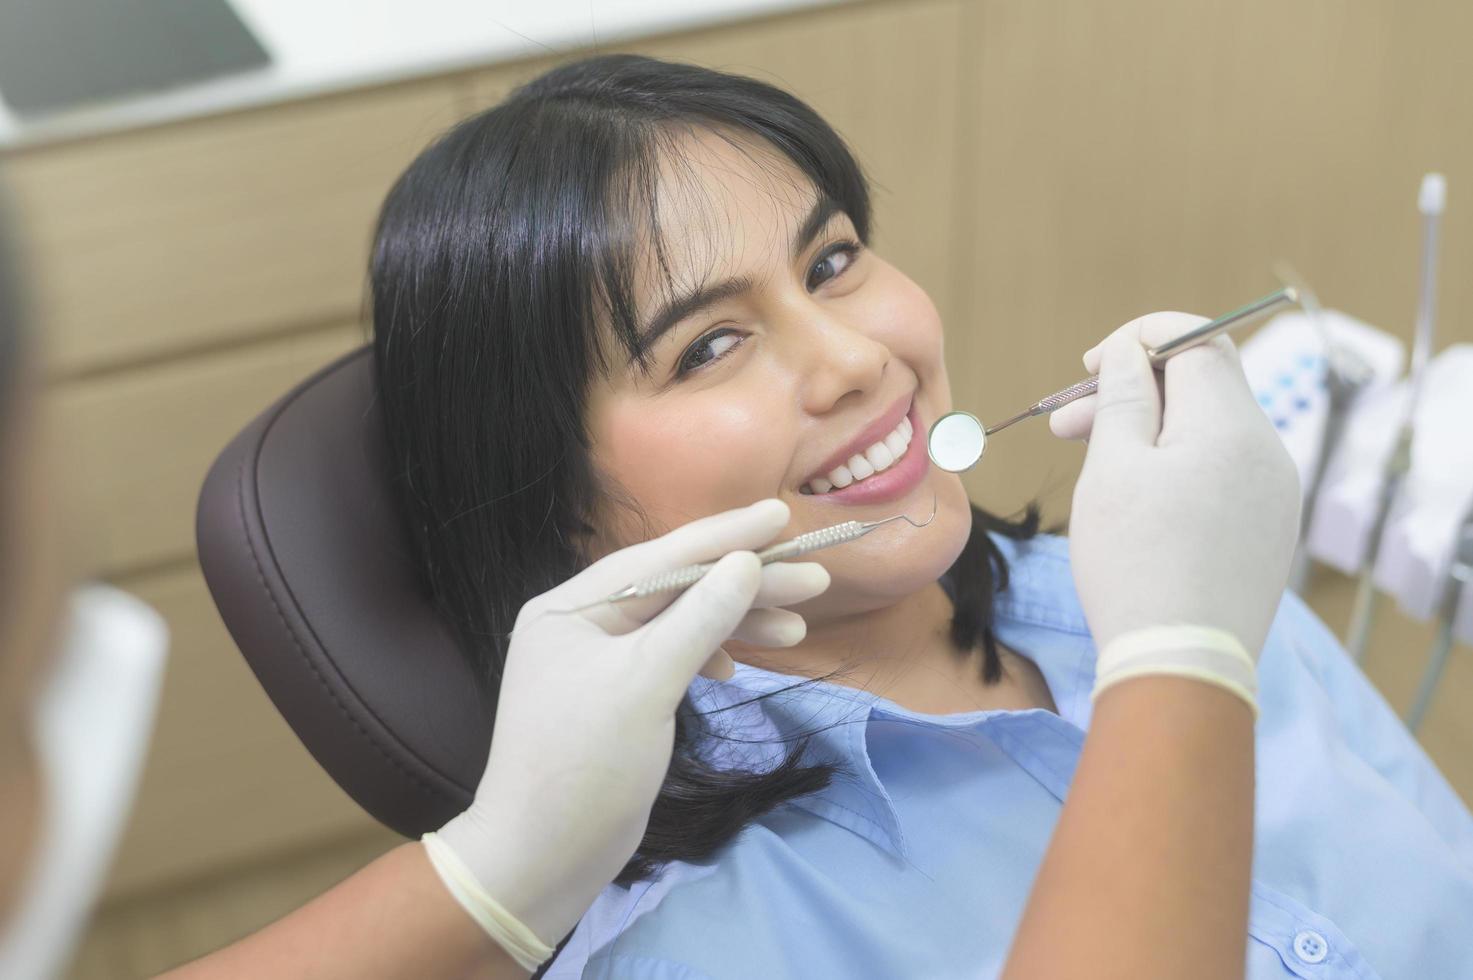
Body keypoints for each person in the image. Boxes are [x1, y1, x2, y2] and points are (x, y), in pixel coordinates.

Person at [1, 54, 1468, 980]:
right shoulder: (706, 942)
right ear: (563, 508)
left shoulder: (1162, 567)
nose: (855, 357)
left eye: (832, 260)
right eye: (706, 346)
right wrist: (1186, 660)